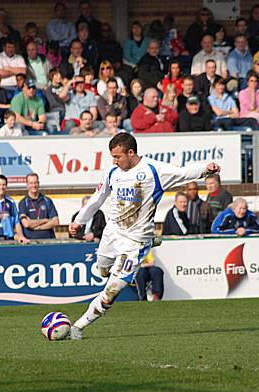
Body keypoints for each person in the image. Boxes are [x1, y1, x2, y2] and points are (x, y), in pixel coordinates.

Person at [67, 133, 220, 339]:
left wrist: (205, 169)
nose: (114, 161)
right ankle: (141, 249)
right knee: (102, 269)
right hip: (112, 233)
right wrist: (80, 220)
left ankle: (79, 326)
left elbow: (183, 173)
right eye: (112, 157)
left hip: (134, 240)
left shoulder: (153, 170)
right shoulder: (113, 171)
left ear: (131, 152)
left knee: (112, 289)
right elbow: (98, 197)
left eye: (118, 156)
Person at [18, 173, 59, 240]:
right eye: (31, 183)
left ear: (38, 183)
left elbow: (55, 222)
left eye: (35, 183)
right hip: (30, 241)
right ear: (27, 185)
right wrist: (46, 220)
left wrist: (38, 227)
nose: (34, 185)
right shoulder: (23, 203)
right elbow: (26, 224)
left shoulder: (47, 200)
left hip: (49, 241)